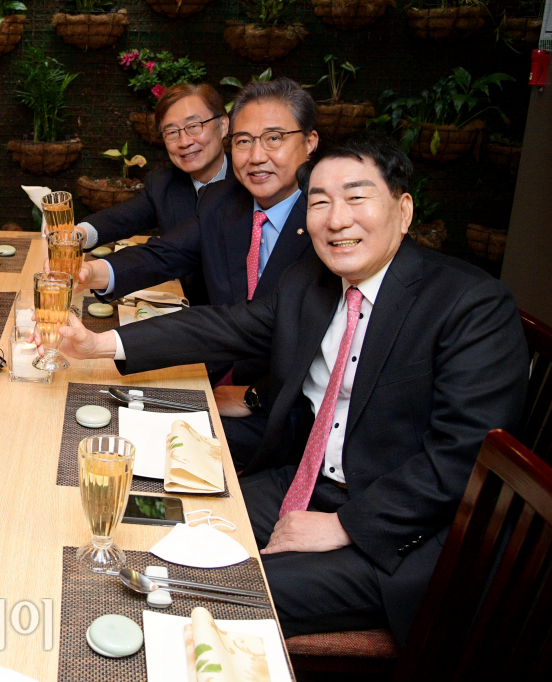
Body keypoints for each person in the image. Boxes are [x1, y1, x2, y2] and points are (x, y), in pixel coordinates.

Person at [48, 131, 528, 644]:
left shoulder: (471, 305)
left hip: (399, 533)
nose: (336, 219)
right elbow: (224, 326)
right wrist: (99, 344)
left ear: (403, 210)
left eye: (356, 198)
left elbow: (462, 458)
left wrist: (345, 525)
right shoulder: (310, 283)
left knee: (194, 592)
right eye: (319, 202)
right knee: (145, 527)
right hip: (302, 483)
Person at [73, 78, 320, 469]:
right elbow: (165, 254)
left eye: (273, 138)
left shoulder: (329, 221)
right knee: (99, 416)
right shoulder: (223, 201)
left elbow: (332, 349)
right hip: (215, 368)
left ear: (309, 142)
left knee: (130, 452)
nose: (257, 156)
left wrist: (255, 395)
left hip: (286, 412)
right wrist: (87, 272)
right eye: (245, 141)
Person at [75, 82, 232, 249]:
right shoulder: (163, 184)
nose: (184, 142)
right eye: (172, 132)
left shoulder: (248, 179)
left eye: (194, 126)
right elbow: (119, 219)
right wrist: (77, 234)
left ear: (223, 126)